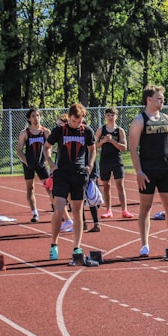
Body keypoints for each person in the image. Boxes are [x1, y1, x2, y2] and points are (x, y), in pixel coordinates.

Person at [128, 85, 168, 259]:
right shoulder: (140, 120)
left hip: (165, 169)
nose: (162, 100)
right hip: (147, 171)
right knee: (145, 208)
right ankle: (144, 244)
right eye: (159, 98)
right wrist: (138, 172)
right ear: (149, 99)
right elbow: (133, 149)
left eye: (162, 98)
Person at [44, 103, 96, 264]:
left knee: (77, 212)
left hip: (79, 174)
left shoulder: (86, 131)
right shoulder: (59, 130)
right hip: (62, 174)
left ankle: (77, 247)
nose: (76, 123)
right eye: (74, 120)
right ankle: (54, 244)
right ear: (69, 117)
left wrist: (90, 165)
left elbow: (92, 148)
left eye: (79, 121)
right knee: (59, 210)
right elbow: (46, 148)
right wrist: (51, 164)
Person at [95, 106, 133, 219]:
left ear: (116, 116)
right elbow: (93, 146)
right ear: (105, 116)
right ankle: (108, 210)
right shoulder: (101, 130)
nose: (110, 117)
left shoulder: (119, 130)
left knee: (120, 185)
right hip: (104, 160)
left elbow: (124, 147)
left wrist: (112, 141)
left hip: (117, 160)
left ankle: (124, 210)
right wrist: (103, 141)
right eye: (108, 115)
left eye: (112, 115)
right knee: (106, 185)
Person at [15, 107, 51, 223]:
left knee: (49, 187)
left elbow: (49, 147)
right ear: (29, 119)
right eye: (33, 116)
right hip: (29, 164)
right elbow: (19, 150)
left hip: (41, 163)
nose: (36, 118)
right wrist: (26, 162)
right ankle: (34, 212)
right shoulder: (25, 133)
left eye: (38, 115)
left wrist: (47, 159)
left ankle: (57, 209)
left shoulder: (46, 132)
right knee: (30, 188)